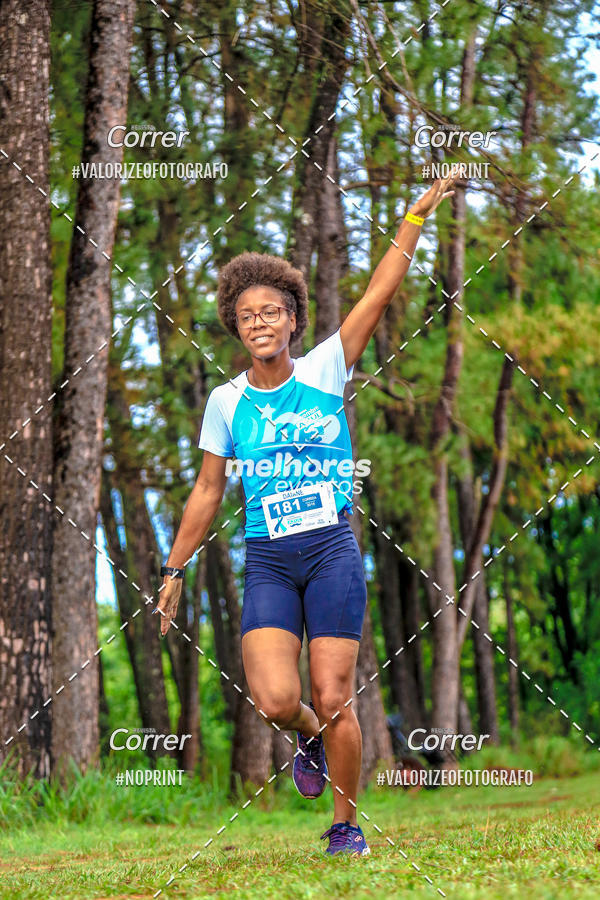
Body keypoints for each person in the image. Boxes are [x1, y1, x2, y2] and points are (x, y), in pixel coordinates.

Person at [155, 174, 456, 856]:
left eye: (272, 312)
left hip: (329, 551)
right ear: (236, 328)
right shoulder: (226, 402)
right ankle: (311, 737)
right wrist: (174, 568)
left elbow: (379, 293)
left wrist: (414, 215)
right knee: (274, 699)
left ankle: (346, 827)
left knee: (333, 692)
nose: (260, 323)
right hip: (267, 558)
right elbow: (207, 491)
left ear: (292, 319)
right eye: (247, 316)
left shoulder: (324, 369)